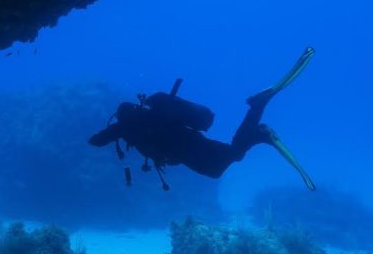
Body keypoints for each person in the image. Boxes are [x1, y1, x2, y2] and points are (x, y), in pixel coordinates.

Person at [88, 47, 317, 191]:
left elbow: (98, 139)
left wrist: (98, 135)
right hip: (190, 143)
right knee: (231, 156)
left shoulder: (124, 129)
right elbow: (101, 138)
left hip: (188, 150)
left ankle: (258, 116)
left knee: (224, 163)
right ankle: (258, 131)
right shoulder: (138, 120)